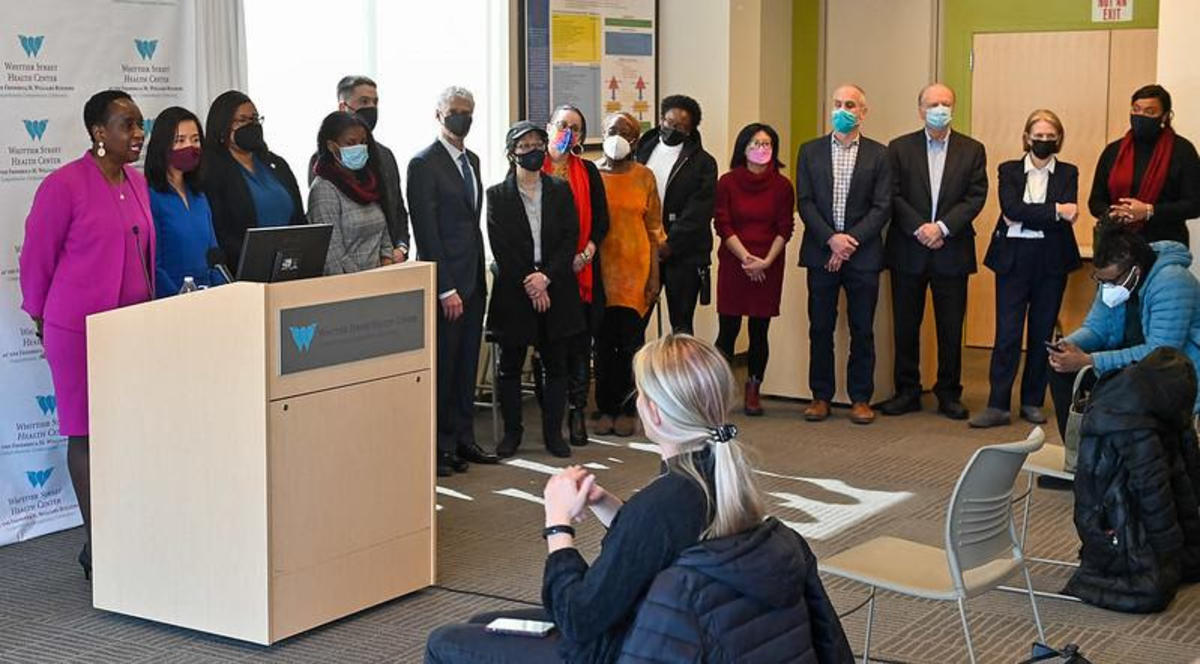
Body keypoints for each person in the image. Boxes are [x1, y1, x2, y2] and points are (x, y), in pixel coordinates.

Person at [425, 335, 852, 664]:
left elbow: (578, 618)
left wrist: (558, 527)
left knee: (445, 642)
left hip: (633, 646)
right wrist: (609, 505)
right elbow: (664, 543)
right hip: (692, 638)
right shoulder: (722, 478)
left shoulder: (665, 502)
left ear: (656, 413)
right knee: (484, 624)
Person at [19, 89, 154, 580]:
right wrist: (39, 314)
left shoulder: (137, 183)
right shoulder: (65, 185)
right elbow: (37, 258)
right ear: (99, 132)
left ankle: (132, 532)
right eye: (127, 124)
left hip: (133, 326)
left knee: (130, 430)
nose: (138, 134)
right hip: (78, 329)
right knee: (89, 432)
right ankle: (101, 546)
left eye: (140, 125)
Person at [880, 83, 987, 420]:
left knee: (951, 327)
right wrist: (920, 228)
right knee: (906, 325)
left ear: (953, 107)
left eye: (945, 103)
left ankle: (949, 392)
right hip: (908, 248)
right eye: (932, 103)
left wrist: (941, 227)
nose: (939, 108)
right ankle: (907, 390)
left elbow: (975, 196)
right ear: (920, 109)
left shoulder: (972, 149)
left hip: (951, 248)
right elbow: (892, 195)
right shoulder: (898, 148)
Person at [407, 86, 499, 476]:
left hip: (474, 277)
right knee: (444, 365)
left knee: (466, 364)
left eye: (467, 111)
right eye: (454, 111)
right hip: (446, 282)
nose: (461, 117)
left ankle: (464, 437)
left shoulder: (472, 160)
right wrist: (445, 286)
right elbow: (426, 232)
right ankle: (440, 446)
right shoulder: (423, 163)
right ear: (438, 114)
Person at [971, 109, 1081, 429]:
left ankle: (1032, 401)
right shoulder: (1009, 169)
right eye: (1038, 135)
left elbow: (1037, 213)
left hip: (1051, 260)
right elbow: (1011, 208)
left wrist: (1031, 214)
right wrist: (1057, 211)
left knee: (1041, 333)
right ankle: (997, 404)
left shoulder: (1068, 172)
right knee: (1007, 333)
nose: (1043, 141)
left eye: (1050, 136)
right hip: (1013, 259)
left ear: (1058, 139)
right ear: (1026, 137)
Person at [1048, 221, 1200, 443]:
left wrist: (1089, 360)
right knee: (1060, 370)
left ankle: (1109, 462)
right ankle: (1078, 458)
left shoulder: (1173, 281)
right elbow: (1096, 329)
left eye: (1110, 281)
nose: (1105, 287)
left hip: (1172, 372)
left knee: (1121, 387)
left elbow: (1161, 353)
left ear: (1135, 272)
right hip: (1130, 365)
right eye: (1099, 280)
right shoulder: (1115, 279)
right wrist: (1068, 347)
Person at [487, 121, 584, 459]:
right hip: (515, 289)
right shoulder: (496, 196)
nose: (532, 151)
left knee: (556, 364)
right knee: (510, 365)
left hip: (555, 285)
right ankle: (512, 433)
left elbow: (569, 237)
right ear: (511, 153)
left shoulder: (559, 189)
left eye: (537, 144)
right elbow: (501, 246)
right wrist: (530, 280)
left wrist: (546, 278)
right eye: (524, 146)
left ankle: (553, 434)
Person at [795, 84, 892, 425]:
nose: (843, 109)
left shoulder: (880, 155)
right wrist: (831, 240)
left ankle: (861, 398)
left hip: (863, 255)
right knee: (820, 327)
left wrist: (849, 240)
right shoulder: (810, 151)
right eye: (837, 103)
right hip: (820, 252)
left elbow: (882, 207)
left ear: (863, 112)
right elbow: (804, 202)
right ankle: (820, 396)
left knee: (861, 329)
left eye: (850, 104)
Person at [713, 122, 795, 417]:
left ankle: (753, 389)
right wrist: (747, 258)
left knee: (760, 330)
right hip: (736, 261)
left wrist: (765, 261)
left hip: (769, 263)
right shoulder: (727, 182)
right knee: (728, 329)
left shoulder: (783, 186)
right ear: (743, 148)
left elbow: (785, 228)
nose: (761, 149)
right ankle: (719, 391)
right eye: (755, 143)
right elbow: (723, 224)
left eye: (767, 144)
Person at [593, 113, 665, 438]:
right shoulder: (591, 173)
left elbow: (655, 231)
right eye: (612, 131)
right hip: (600, 274)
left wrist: (654, 277)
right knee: (604, 345)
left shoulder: (644, 177)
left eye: (626, 132)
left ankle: (627, 408)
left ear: (636, 141)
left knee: (632, 346)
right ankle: (605, 406)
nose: (618, 136)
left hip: (637, 274)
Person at [543, 104, 609, 447]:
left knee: (580, 348)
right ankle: (550, 418)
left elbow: (602, 221)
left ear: (582, 136)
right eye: (562, 125)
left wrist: (587, 253)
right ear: (549, 127)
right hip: (546, 275)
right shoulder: (530, 168)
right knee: (550, 347)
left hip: (582, 273)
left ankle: (577, 412)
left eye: (576, 128)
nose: (568, 132)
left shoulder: (588, 171)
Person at [636, 95, 718, 335]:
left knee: (681, 325)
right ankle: (636, 372)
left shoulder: (703, 163)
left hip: (684, 254)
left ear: (691, 129)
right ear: (661, 120)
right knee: (636, 321)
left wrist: (669, 245)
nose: (673, 129)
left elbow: (699, 211)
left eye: (681, 126)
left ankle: (680, 371)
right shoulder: (642, 149)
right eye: (669, 122)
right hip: (643, 248)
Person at [309, 75, 411, 263]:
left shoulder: (384, 155)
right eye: (364, 101)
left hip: (387, 265)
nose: (371, 108)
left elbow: (396, 207)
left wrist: (400, 248)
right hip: (350, 278)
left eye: (375, 102)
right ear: (343, 107)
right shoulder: (323, 166)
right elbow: (331, 241)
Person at [202, 90, 305, 271]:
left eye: (255, 119)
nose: (252, 125)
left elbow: (299, 218)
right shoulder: (210, 171)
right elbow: (219, 231)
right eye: (242, 120)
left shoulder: (277, 164)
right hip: (243, 271)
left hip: (290, 267)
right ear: (223, 127)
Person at [1089, 84, 1200, 245]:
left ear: (1164, 116)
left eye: (1150, 112)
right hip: (1118, 244)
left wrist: (1149, 211)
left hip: (1167, 244)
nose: (1140, 115)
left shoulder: (1182, 151)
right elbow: (1095, 201)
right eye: (1136, 109)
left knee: (1171, 272)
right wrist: (1114, 213)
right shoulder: (1113, 151)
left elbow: (1194, 205)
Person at [144, 106, 223, 297]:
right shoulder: (150, 196)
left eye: (195, 140)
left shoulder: (199, 196)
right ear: (163, 145)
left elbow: (214, 257)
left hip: (208, 300)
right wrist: (180, 299)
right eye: (180, 140)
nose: (190, 146)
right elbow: (154, 265)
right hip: (172, 302)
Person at [308, 111, 394, 274]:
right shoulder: (325, 189)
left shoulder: (368, 183)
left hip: (380, 282)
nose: (359, 148)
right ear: (332, 146)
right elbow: (333, 255)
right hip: (349, 287)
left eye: (363, 142)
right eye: (351, 143)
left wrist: (386, 264)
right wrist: (364, 283)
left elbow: (384, 237)